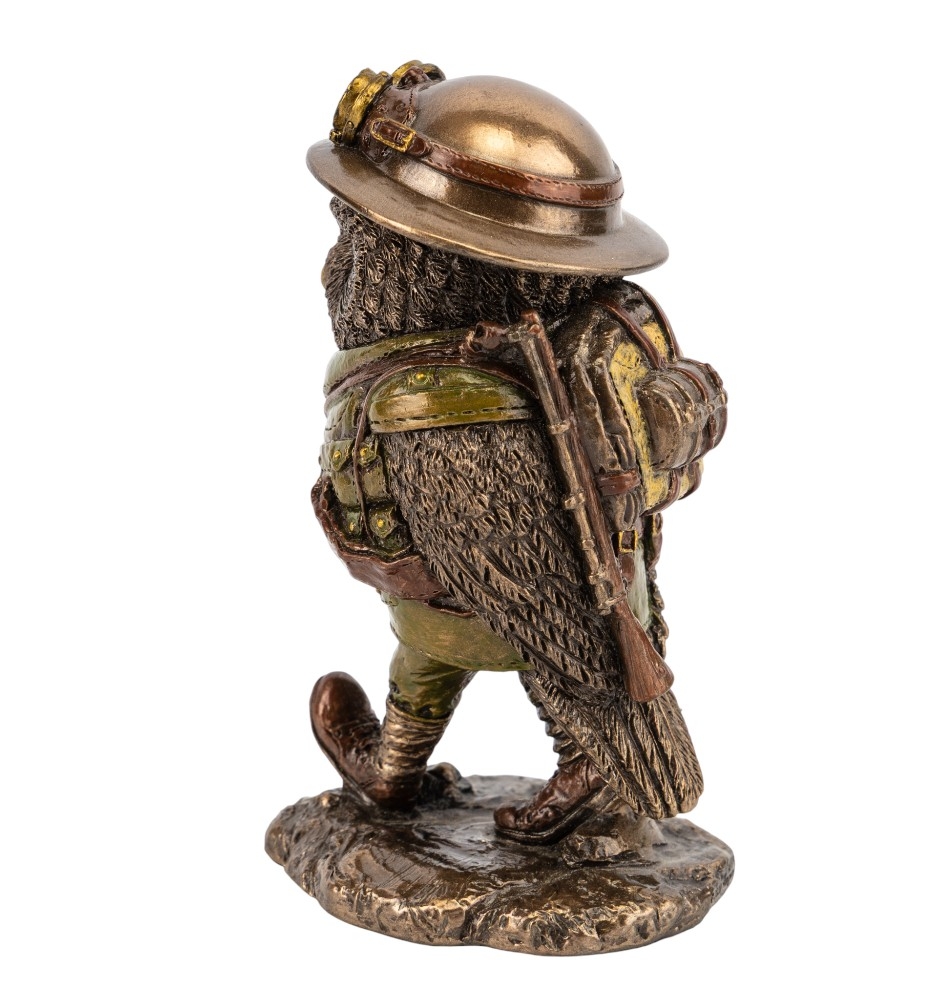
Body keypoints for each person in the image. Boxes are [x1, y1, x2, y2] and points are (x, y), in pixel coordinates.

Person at [306, 61, 726, 843]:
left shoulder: (441, 403)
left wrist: (610, 697)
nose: (341, 259)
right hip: (438, 600)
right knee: (425, 660)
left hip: (483, 600)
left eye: (360, 234)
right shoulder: (485, 359)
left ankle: (588, 764)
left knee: (528, 654)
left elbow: (530, 588)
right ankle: (392, 770)